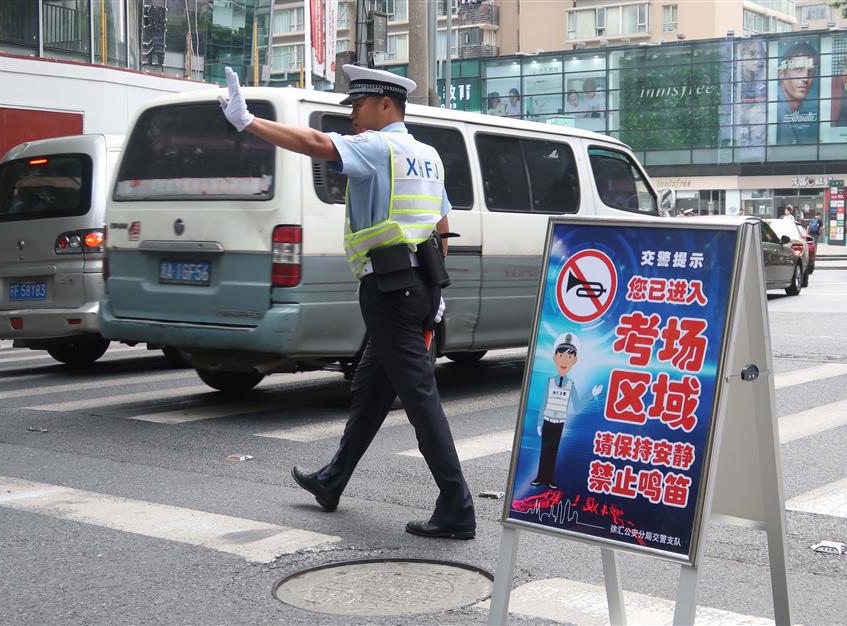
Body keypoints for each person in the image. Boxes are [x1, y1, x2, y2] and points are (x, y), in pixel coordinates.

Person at [217, 64, 476, 540]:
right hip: (416, 288)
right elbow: (442, 222)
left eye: (358, 105)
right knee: (372, 388)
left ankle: (457, 505)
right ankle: (332, 480)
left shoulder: (378, 147)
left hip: (389, 291)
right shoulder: (427, 155)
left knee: (420, 399)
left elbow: (316, 145)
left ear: (386, 105)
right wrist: (437, 290)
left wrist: (248, 122)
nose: (353, 115)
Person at [530, 333, 602, 491]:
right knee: (544, 449)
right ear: (555, 357)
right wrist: (539, 423)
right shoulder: (550, 382)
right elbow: (544, 403)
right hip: (548, 420)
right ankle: (539, 477)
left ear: (574, 361)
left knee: (553, 450)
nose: (564, 360)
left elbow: (576, 405)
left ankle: (548, 479)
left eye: (569, 357)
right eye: (561, 355)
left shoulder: (570, 384)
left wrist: (591, 395)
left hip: (559, 423)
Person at [776, 41, 819, 144]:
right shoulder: (774, 109)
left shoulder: (807, 112)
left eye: (810, 72)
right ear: (782, 74)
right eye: (798, 70)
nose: (805, 78)